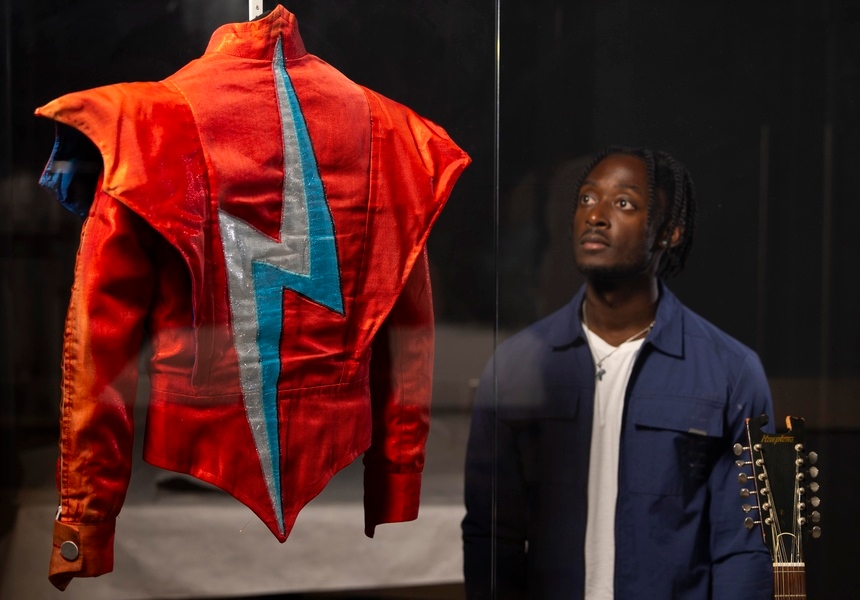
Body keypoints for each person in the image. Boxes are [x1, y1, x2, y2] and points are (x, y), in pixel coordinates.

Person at [462, 146, 773, 599]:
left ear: (669, 232)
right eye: (587, 200)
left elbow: (744, 551)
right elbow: (492, 537)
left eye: (623, 203)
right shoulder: (515, 366)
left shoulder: (730, 372)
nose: (596, 216)